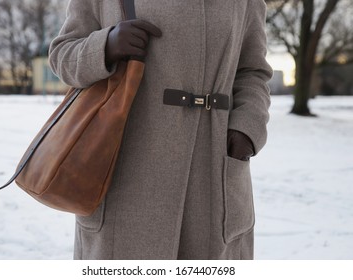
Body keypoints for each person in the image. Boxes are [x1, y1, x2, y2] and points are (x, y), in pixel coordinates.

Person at [49, 0, 272, 260]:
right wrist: (106, 45)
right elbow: (61, 55)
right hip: (125, 174)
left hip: (213, 175)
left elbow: (253, 71)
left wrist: (247, 129)